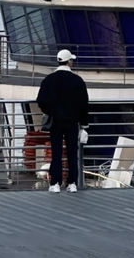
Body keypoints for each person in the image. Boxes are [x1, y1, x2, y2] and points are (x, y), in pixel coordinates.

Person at [36, 48, 89, 193]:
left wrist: (50, 111)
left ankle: (55, 183)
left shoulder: (49, 80)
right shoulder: (77, 80)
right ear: (69, 61)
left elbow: (41, 101)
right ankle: (72, 183)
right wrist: (84, 125)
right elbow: (84, 103)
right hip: (72, 122)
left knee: (56, 153)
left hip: (56, 122)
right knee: (72, 153)